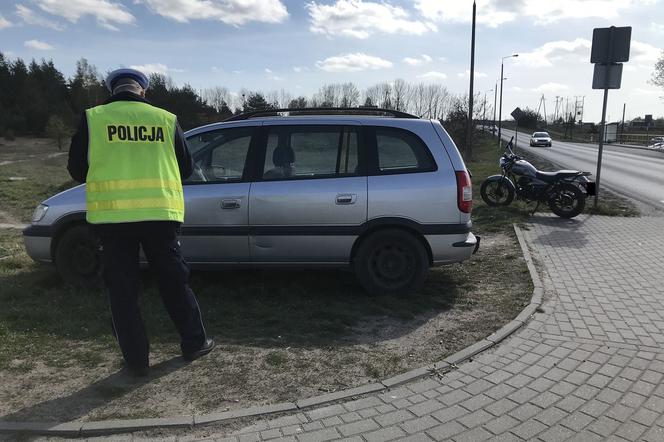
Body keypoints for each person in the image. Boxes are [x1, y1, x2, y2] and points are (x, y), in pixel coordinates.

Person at [67, 68, 214, 376]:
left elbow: (77, 170)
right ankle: (194, 342)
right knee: (173, 280)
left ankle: (136, 361)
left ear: (112, 91)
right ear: (142, 91)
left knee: (122, 289)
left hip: (112, 217)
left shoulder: (94, 118)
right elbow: (186, 167)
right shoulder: (166, 119)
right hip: (160, 215)